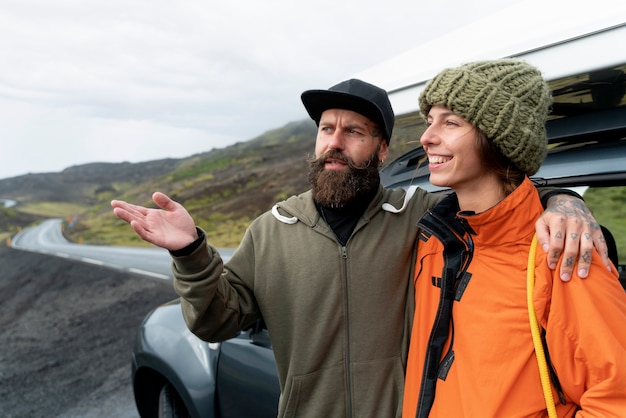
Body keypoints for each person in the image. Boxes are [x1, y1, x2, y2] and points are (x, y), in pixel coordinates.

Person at [111, 79, 607, 417]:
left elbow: (495, 200)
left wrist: (560, 200)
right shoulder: (271, 229)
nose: (335, 142)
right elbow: (215, 322)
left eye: (354, 132)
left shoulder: (422, 217)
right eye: (327, 129)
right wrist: (192, 251)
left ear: (383, 148)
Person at [402, 59, 626, 417]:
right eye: (430, 121)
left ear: (498, 138)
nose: (427, 137)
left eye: (451, 122)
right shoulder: (436, 238)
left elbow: (617, 400)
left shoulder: (562, 252)